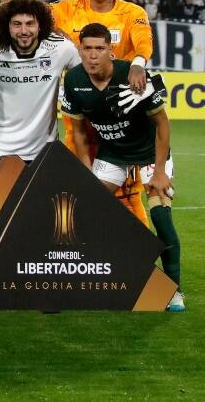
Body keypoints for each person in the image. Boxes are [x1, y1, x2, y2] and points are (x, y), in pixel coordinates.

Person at [61, 23, 184, 312]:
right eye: (87, 49)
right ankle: (122, 271)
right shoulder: (74, 80)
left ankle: (173, 290)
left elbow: (162, 124)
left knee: (161, 217)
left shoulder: (133, 76)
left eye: (99, 49)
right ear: (80, 50)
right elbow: (78, 132)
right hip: (113, 155)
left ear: (110, 52)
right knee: (87, 211)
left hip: (150, 156)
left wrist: (160, 172)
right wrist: (86, 172)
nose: (92, 55)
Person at [51, 0, 155, 225]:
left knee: (128, 195)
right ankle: (85, 251)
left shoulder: (133, 13)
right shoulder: (63, 10)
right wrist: (51, 34)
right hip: (80, 113)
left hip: (121, 119)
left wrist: (138, 63)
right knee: (77, 187)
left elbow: (143, 41)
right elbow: (26, 17)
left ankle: (141, 258)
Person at [0, 0, 80, 178]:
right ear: (6, 26)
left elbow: (90, 73)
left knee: (46, 208)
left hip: (45, 153)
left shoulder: (61, 48)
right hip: (0, 150)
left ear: (40, 25)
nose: (24, 31)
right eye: (17, 24)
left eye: (30, 23)